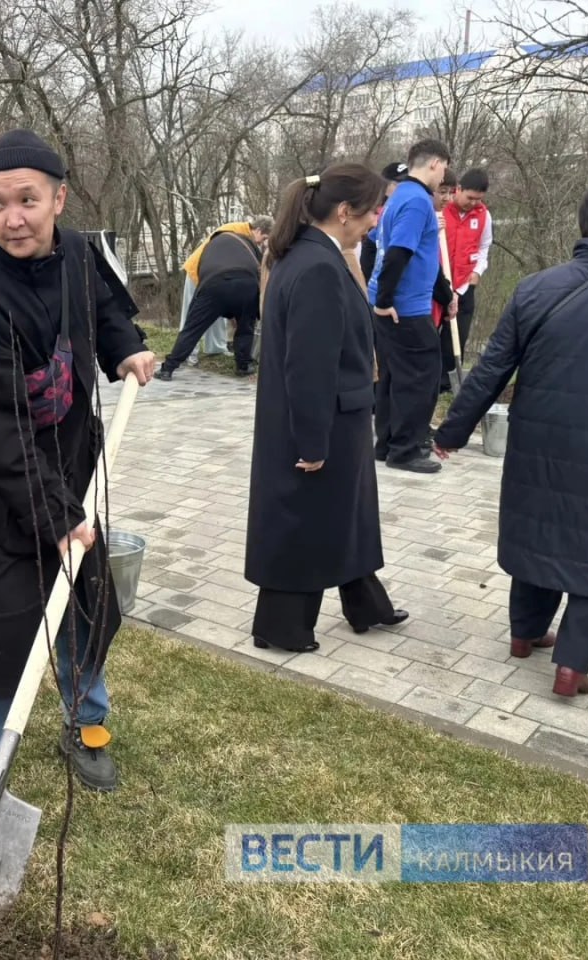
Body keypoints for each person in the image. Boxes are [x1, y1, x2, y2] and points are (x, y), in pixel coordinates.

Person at [0, 129, 156, 794]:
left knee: (86, 601)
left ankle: (88, 726)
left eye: (27, 199)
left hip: (73, 461)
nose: (13, 217)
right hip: (2, 485)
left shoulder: (80, 254)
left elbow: (108, 310)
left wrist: (127, 349)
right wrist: (55, 516)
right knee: (9, 624)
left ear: (58, 198)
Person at [433, 179, 588, 698]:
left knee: (538, 532)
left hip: (537, 443)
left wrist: (451, 432)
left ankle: (524, 635)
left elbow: (490, 369)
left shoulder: (536, 287)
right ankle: (571, 666)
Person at [245, 165, 408, 653]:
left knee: (347, 511)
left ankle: (365, 603)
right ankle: (280, 626)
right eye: (373, 210)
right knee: (305, 517)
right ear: (343, 212)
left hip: (341, 414)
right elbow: (309, 365)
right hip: (325, 420)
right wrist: (313, 440)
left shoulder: (311, 256)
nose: (376, 220)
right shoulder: (317, 267)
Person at [368, 139, 455, 474]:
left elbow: (423, 258)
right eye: (445, 168)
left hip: (399, 304)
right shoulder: (418, 201)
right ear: (434, 163)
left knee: (393, 376)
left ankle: (387, 443)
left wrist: (445, 297)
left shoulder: (400, 196)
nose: (444, 176)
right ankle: (405, 450)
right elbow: (398, 254)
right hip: (404, 308)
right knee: (421, 377)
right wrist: (385, 301)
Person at [156, 217, 270, 379]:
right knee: (245, 327)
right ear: (258, 231)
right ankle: (244, 365)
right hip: (246, 284)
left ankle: (168, 369)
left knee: (193, 328)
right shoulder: (248, 243)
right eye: (264, 239)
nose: (262, 243)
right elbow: (260, 274)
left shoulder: (219, 238)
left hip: (213, 283)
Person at [439, 168, 492, 392]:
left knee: (457, 337)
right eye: (469, 198)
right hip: (439, 283)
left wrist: (478, 271)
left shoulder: (483, 215)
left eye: (478, 199)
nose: (473, 203)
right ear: (458, 189)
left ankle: (446, 384)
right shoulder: (442, 210)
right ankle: (431, 379)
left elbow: (484, 247)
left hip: (464, 285)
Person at [359, 161, 409, 280]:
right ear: (385, 184)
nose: (405, 188)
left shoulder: (407, 208)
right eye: (399, 184)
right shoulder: (371, 207)